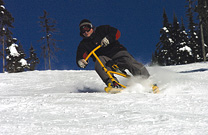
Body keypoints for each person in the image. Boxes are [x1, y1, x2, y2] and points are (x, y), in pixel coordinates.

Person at [76, 19, 150, 88]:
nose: (85, 32)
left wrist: (108, 38)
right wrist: (81, 61)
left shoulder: (102, 30)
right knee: (98, 63)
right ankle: (112, 83)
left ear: (91, 27)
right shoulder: (83, 44)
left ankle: (146, 79)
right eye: (82, 30)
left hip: (117, 52)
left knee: (128, 61)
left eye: (87, 28)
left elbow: (116, 32)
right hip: (106, 61)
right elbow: (81, 55)